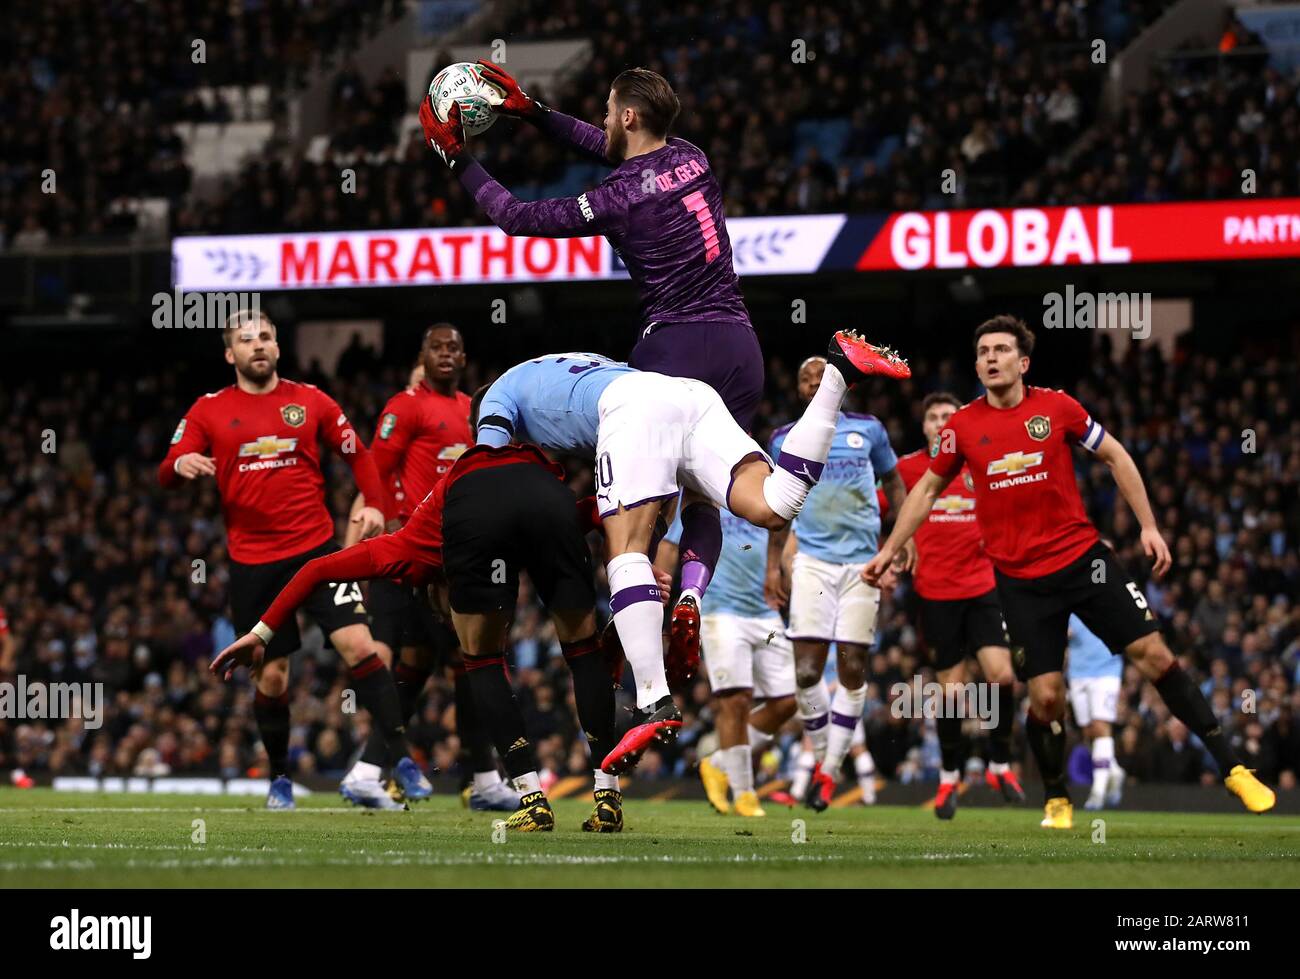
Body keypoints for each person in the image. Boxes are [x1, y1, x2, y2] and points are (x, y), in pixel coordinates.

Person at [421, 63, 765, 686]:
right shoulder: (693, 157)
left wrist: (458, 160)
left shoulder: (617, 198)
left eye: (609, 111)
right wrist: (532, 112)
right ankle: (689, 595)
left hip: (676, 349)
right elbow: (605, 146)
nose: (603, 121)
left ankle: (642, 651)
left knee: (633, 517)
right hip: (742, 347)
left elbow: (518, 218)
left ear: (628, 116)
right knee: (710, 491)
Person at [863, 315, 1275, 826]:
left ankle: (1233, 767)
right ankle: (1057, 796)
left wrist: (1148, 526)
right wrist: (889, 550)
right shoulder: (963, 427)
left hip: (1084, 562)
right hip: (1019, 582)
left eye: (1001, 350)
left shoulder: (1057, 407)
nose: (990, 358)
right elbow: (924, 491)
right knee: (1047, 697)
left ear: (1023, 362)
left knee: (1153, 652)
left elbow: (1116, 456)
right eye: (983, 351)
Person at [474, 332, 910, 775]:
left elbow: (486, 476)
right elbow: (661, 488)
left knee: (622, 552)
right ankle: (836, 376)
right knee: (776, 503)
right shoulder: (572, 360)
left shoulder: (496, 398)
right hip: (690, 396)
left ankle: (652, 702)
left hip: (630, 406)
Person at [212, 441, 639, 833]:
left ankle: (531, 798)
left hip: (484, 494)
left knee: (483, 659)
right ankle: (607, 799)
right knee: (582, 651)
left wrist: (260, 632)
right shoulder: (445, 527)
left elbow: (316, 569)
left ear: (434, 591)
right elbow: (589, 514)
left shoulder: (409, 548)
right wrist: (635, 563)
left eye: (446, 613)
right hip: (548, 488)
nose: (454, 620)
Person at [160, 309, 425, 810]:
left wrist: (373, 503)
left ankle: (403, 760)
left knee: (360, 646)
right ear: (230, 354)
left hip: (318, 552)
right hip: (254, 563)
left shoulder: (310, 401)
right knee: (273, 677)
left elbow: (358, 453)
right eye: (246, 339)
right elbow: (165, 473)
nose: (257, 345)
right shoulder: (209, 410)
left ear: (277, 348)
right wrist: (179, 463)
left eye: (265, 337)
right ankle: (280, 777)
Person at [346, 324, 519, 812]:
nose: (446, 354)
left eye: (454, 349)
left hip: (460, 555)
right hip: (419, 556)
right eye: (437, 348)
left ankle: (371, 770)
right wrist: (385, 521)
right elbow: (376, 469)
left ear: (464, 358)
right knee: (467, 659)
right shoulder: (406, 406)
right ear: (423, 357)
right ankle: (481, 778)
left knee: (430, 664)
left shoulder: (474, 411)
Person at [765, 356, 907, 811]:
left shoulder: (869, 429)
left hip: (863, 566)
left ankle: (828, 771)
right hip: (812, 563)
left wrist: (903, 541)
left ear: (839, 386)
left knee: (850, 671)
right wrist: (772, 565)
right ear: (799, 389)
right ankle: (826, 754)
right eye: (806, 379)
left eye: (820, 378)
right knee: (807, 673)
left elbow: (896, 483)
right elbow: (778, 505)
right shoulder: (784, 438)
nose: (812, 384)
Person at [892, 391, 1023, 820]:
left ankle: (999, 762)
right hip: (936, 593)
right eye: (933, 417)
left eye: (949, 416)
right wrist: (899, 542)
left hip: (983, 588)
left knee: (1002, 678)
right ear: (925, 426)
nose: (941, 422)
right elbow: (885, 508)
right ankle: (949, 778)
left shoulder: (979, 463)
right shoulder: (907, 470)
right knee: (950, 693)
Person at [656, 501, 796, 818]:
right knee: (736, 700)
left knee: (789, 700)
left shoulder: (764, 489)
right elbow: (669, 546)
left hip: (765, 609)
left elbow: (786, 533)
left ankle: (719, 763)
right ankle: (745, 794)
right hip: (721, 611)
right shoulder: (701, 494)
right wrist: (658, 607)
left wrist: (785, 569)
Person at [1066, 614, 1126, 810]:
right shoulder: (1067, 601)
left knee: (1101, 727)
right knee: (1088, 732)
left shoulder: (1106, 592)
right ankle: (1114, 770)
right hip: (1077, 672)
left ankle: (1097, 792)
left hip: (1106, 670)